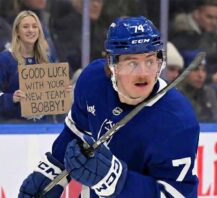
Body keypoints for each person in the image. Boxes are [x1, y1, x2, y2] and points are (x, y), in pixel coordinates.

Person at [18, 16, 200, 197]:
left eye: (150, 61)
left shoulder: (177, 121)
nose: (143, 73)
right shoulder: (93, 82)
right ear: (112, 64)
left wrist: (115, 181)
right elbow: (77, 132)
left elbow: (176, 194)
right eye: (132, 63)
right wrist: (52, 173)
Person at [0, 10, 69, 123]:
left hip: (44, 128)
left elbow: (55, 105)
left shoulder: (47, 59)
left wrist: (62, 92)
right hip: (13, 128)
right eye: (26, 27)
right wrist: (12, 98)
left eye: (34, 26)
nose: (31, 30)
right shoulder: (4, 59)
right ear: (17, 31)